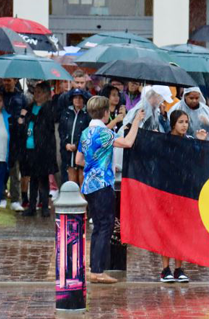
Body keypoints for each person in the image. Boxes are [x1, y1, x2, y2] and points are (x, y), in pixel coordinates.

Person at [76, 95, 144, 284]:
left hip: (88, 185)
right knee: (105, 226)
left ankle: (94, 268)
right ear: (106, 113)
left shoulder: (85, 133)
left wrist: (94, 163)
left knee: (98, 227)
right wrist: (136, 121)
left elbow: (78, 160)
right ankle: (98, 271)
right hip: (102, 185)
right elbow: (128, 142)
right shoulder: (104, 133)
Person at [160, 110, 207, 283]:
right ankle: (165, 269)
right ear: (173, 124)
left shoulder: (190, 141)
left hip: (184, 192)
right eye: (181, 122)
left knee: (181, 229)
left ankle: (179, 268)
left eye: (186, 122)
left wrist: (200, 143)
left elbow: (199, 161)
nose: (184, 125)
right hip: (166, 190)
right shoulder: (163, 140)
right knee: (167, 229)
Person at [18, 81, 58, 217]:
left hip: (43, 148)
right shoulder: (30, 107)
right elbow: (22, 121)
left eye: (40, 92)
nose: (36, 95)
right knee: (33, 178)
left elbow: (46, 124)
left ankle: (44, 205)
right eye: (35, 92)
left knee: (43, 178)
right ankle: (31, 206)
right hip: (30, 146)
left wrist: (30, 117)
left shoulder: (49, 108)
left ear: (46, 94)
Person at [1, 78, 28, 212]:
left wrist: (21, 118)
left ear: (15, 81)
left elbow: (26, 111)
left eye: (9, 80)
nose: (7, 83)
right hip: (1, 134)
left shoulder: (21, 97)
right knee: (1, 168)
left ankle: (16, 199)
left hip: (16, 137)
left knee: (14, 169)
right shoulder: (0, 94)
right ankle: (0, 196)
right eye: (5, 80)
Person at [59, 89, 91, 188]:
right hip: (68, 152)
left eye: (80, 98)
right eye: (75, 97)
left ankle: (83, 198)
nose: (78, 100)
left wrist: (77, 145)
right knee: (71, 182)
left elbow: (88, 133)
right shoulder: (66, 113)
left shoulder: (87, 115)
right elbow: (61, 130)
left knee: (82, 181)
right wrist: (65, 144)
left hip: (82, 152)